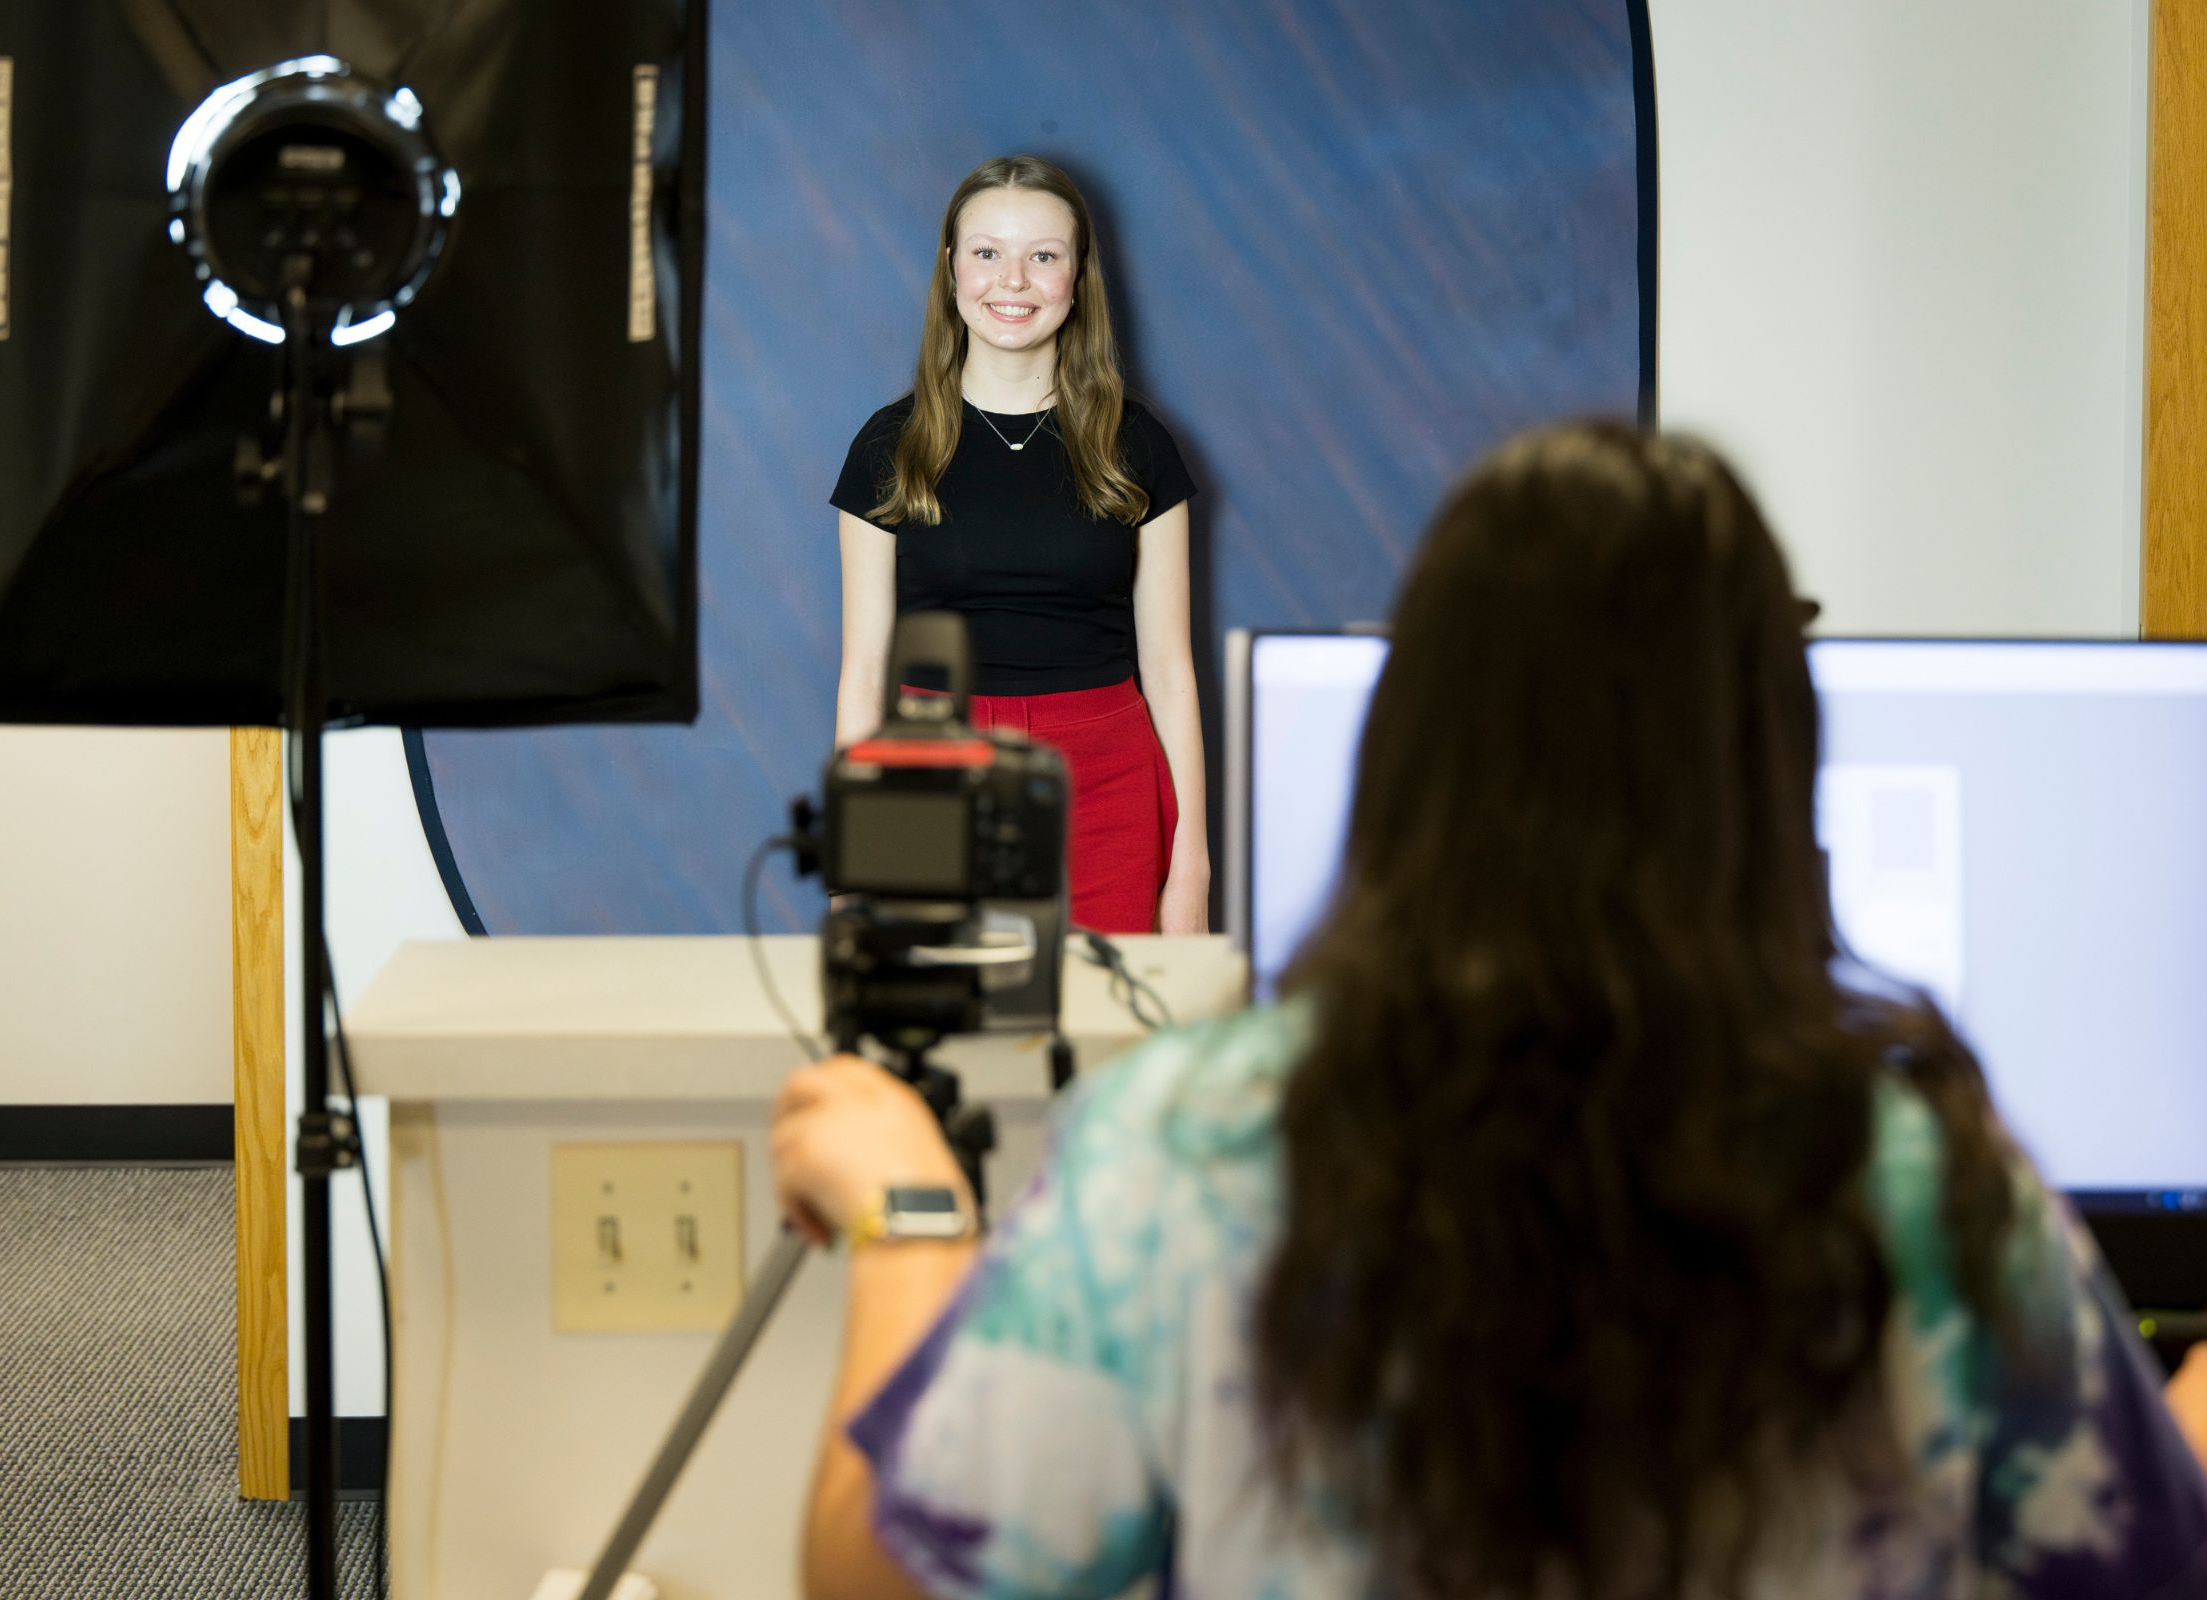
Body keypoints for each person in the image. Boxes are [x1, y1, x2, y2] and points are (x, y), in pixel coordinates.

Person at [772, 421, 2207, 1598]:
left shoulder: (1184, 1155)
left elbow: (883, 1588)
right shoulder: (1924, 1190)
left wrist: (912, 1214)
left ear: (1409, 756)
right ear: (1770, 781)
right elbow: (2150, 1565)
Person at [830, 155, 1208, 935]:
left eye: (1043, 255)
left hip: (1108, 772)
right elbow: (863, 673)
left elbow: (1171, 671)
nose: (1013, 281)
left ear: (1078, 275)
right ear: (951, 268)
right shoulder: (887, 447)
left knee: (1113, 1035)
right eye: (987, 253)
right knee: (940, 1029)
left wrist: (1193, 864)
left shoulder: (1138, 445)